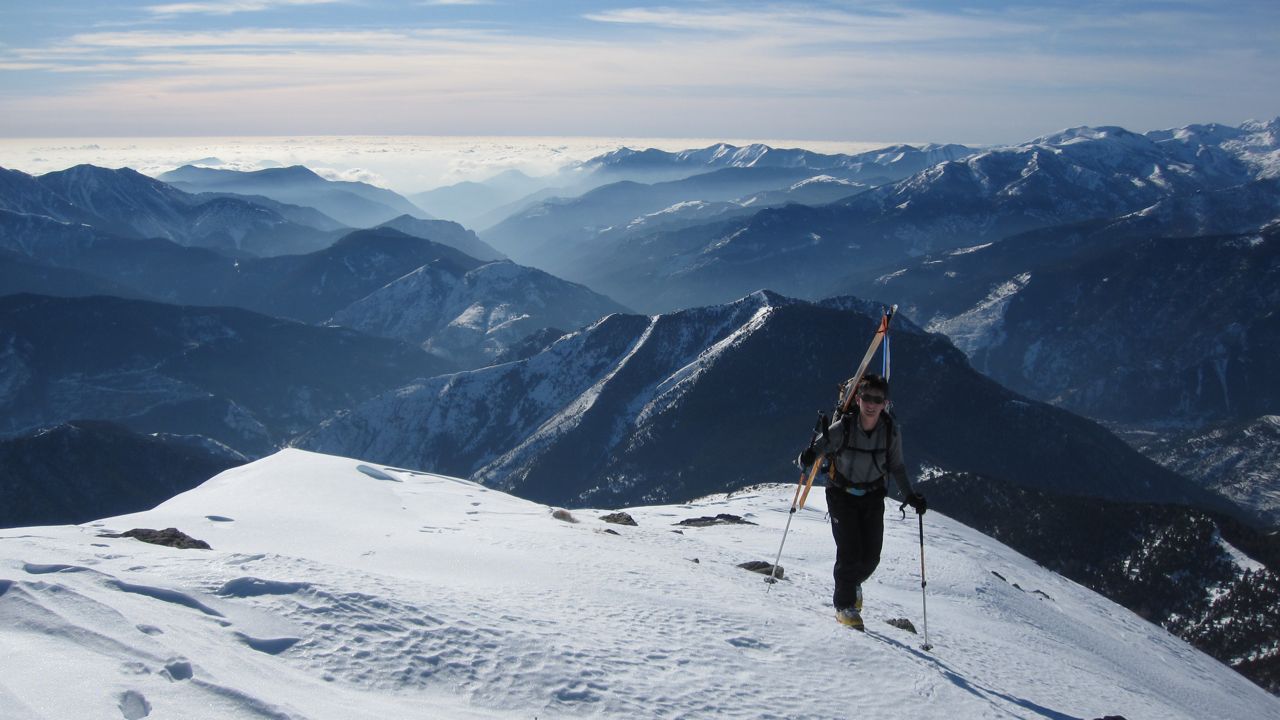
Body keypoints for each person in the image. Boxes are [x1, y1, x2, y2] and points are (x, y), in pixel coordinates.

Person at [798, 374, 926, 630]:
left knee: (870, 558)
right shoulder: (843, 428)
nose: (871, 404)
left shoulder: (890, 431)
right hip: (841, 494)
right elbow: (816, 451)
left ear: (885, 403)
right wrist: (807, 457)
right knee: (849, 552)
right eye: (866, 397)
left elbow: (897, 466)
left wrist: (910, 495)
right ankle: (844, 606)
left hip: (872, 496)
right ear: (857, 399)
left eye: (877, 400)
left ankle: (852, 584)